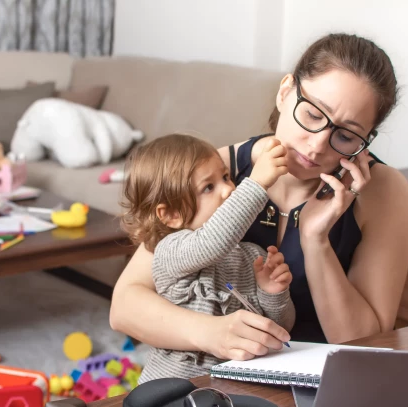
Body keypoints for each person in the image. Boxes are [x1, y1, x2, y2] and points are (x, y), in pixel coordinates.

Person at [110, 33, 408, 362]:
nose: (316, 145)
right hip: (218, 374)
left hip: (324, 382)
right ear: (285, 92)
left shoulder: (384, 192)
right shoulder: (218, 173)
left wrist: (316, 241)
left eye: (345, 135)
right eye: (313, 115)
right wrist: (211, 333)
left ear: (365, 140)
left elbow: (365, 346)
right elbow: (125, 306)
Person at [121, 134, 296, 382]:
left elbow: (280, 328)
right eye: (208, 187)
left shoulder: (252, 256)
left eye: (226, 177)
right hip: (171, 390)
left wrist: (273, 293)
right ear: (171, 215)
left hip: (233, 387)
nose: (228, 189)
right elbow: (212, 242)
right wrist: (256, 183)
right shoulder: (169, 250)